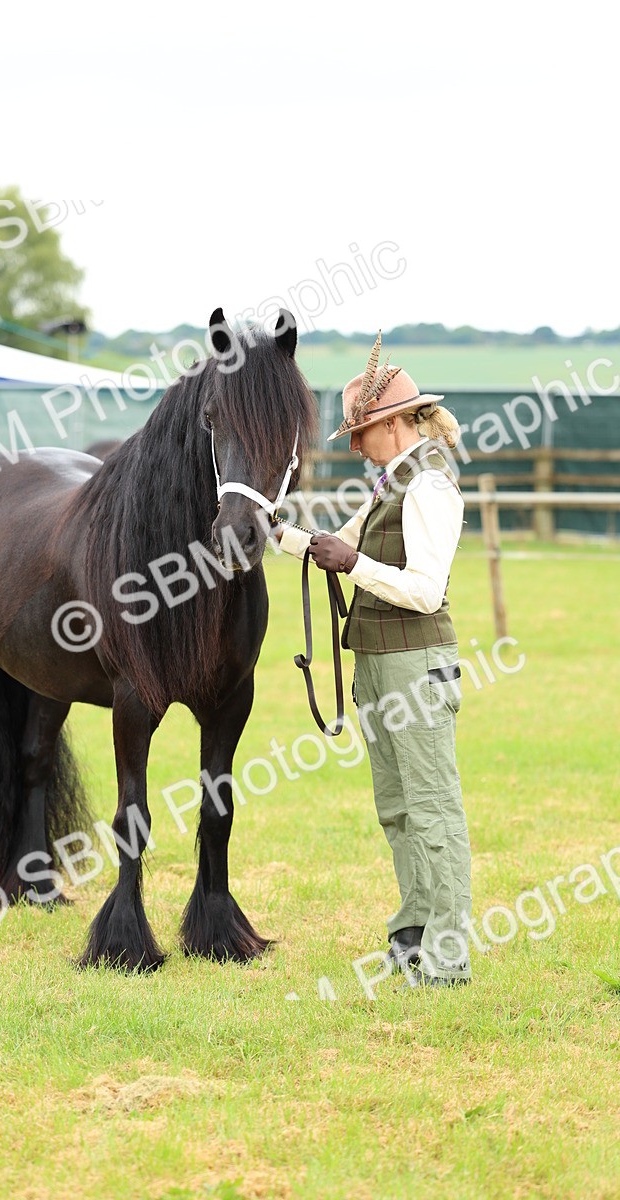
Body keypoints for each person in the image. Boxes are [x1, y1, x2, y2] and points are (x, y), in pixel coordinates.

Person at [276, 333, 472, 989]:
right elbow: (336, 545)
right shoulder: (392, 484)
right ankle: (412, 936)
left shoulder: (429, 487)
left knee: (434, 810)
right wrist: (273, 530)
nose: (353, 445)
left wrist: (352, 564)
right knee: (398, 810)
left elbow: (423, 588)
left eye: (359, 432)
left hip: (416, 665)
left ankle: (448, 957)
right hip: (378, 667)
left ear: (389, 424)